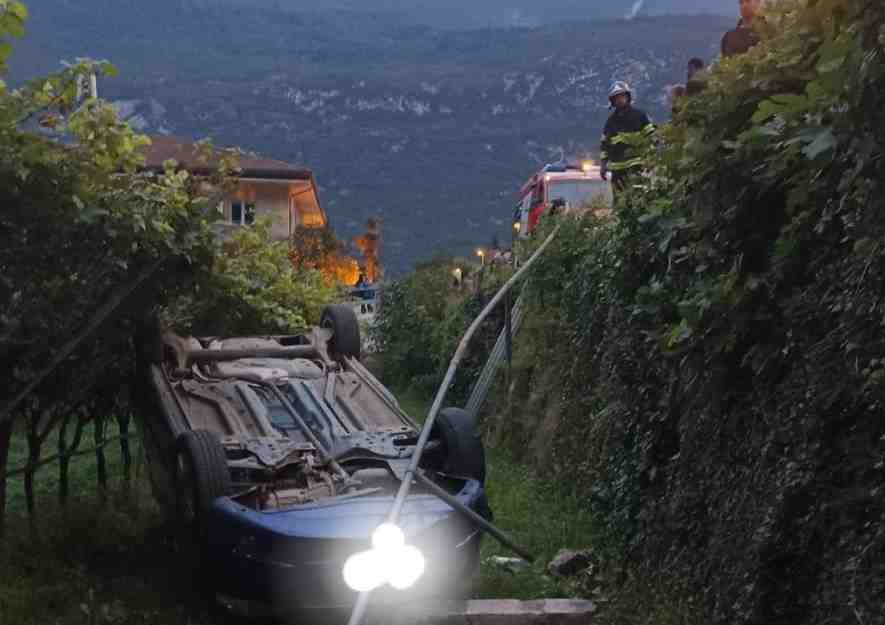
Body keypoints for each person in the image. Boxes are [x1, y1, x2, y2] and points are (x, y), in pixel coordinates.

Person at [599, 81, 654, 201]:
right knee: (620, 202)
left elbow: (652, 136)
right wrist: (603, 165)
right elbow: (604, 144)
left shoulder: (639, 116)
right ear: (612, 101)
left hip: (636, 166)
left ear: (628, 97)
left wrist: (652, 158)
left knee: (638, 199)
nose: (620, 100)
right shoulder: (611, 121)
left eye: (622, 96)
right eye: (617, 97)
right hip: (617, 170)